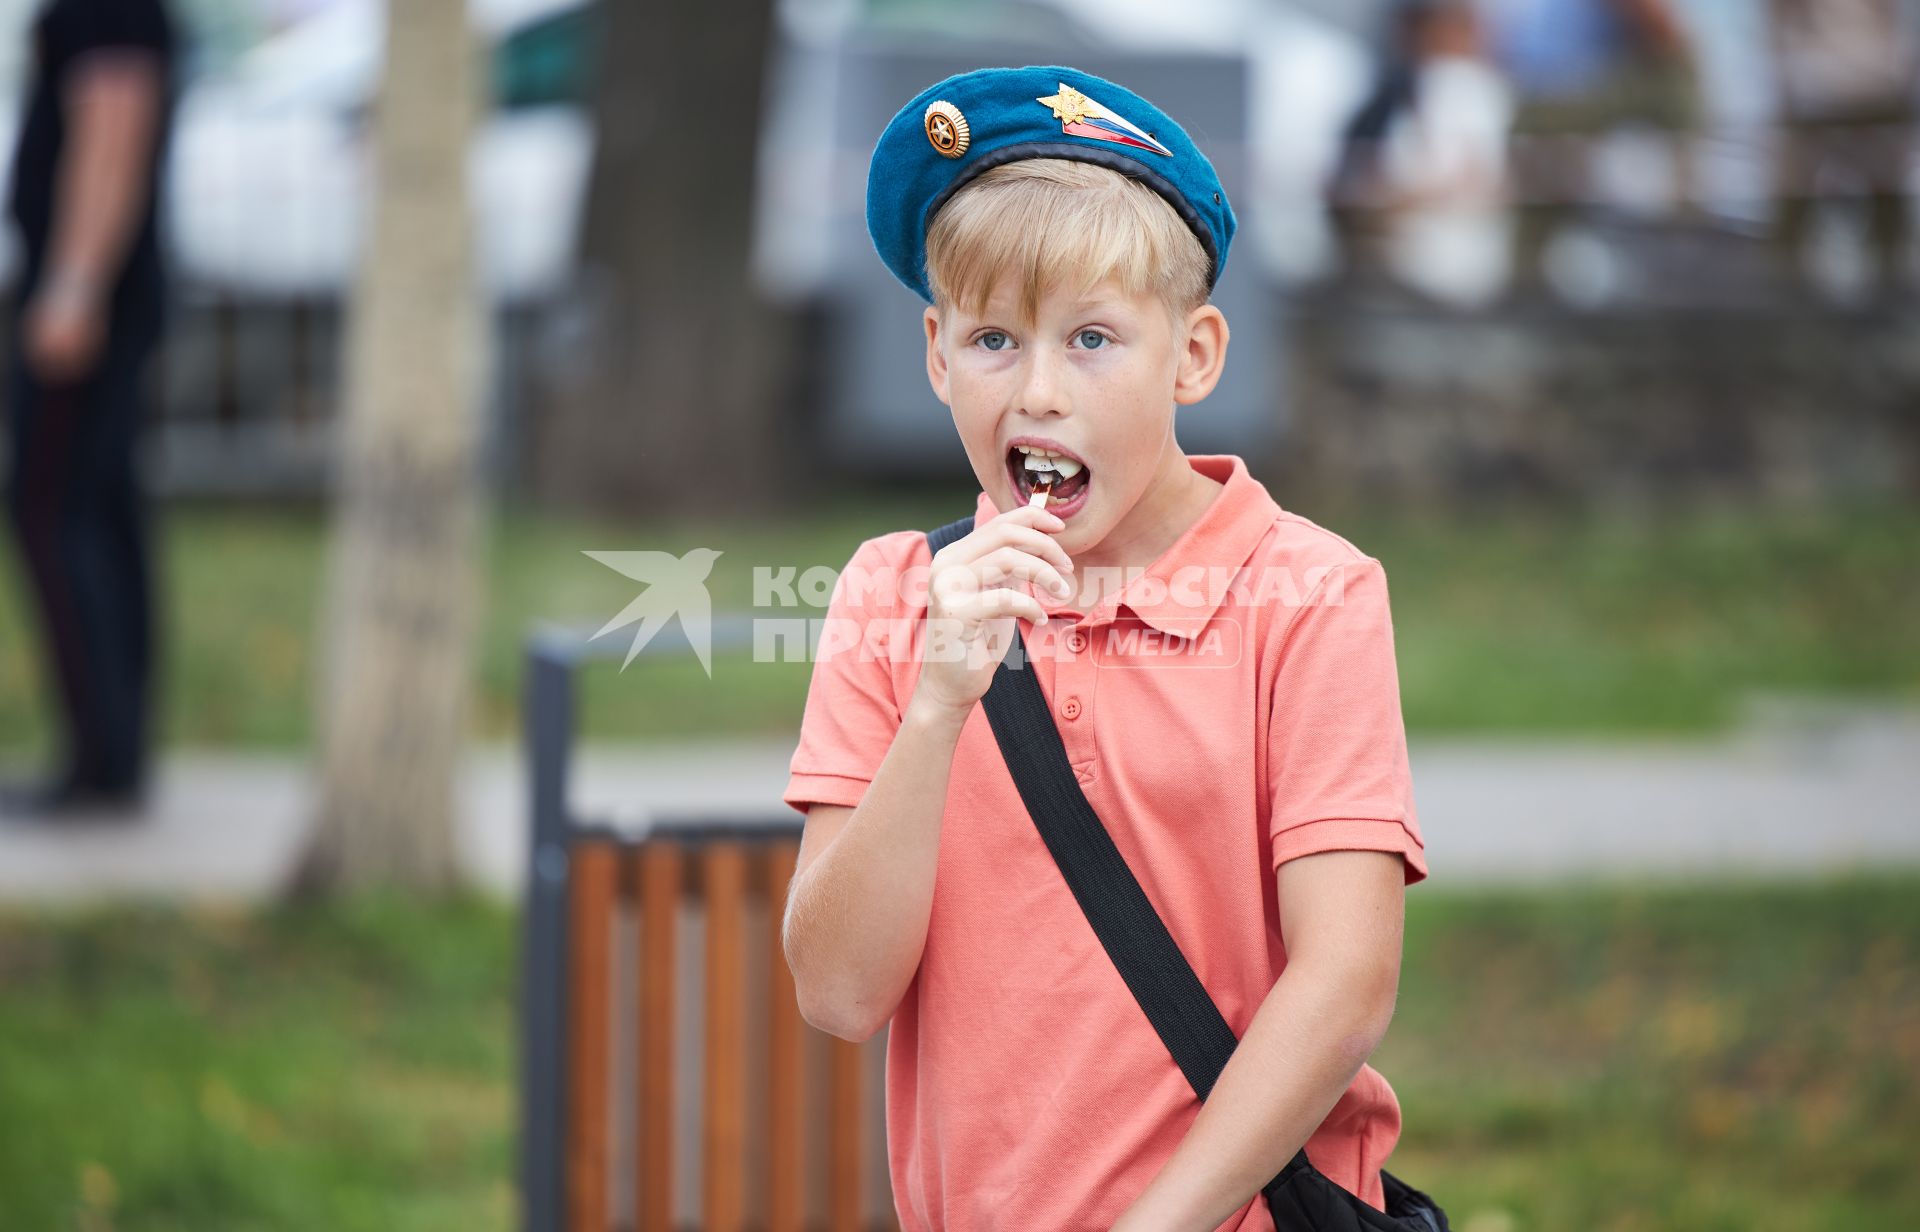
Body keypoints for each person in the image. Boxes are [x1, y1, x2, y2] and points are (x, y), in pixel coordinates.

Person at [781, 67, 1431, 1230]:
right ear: (934, 354)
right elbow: (836, 990)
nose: (1037, 391)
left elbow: (1345, 987)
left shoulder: (1311, 593)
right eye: (991, 339)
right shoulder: (892, 591)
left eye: (1092, 339)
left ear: (1193, 355)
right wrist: (937, 700)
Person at [0, 0, 177, 817]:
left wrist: (72, 286)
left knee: (54, 511)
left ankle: (99, 758)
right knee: (98, 513)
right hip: (107, 293)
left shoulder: (106, 8)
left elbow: (115, 128)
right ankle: (113, 752)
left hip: (85, 300)